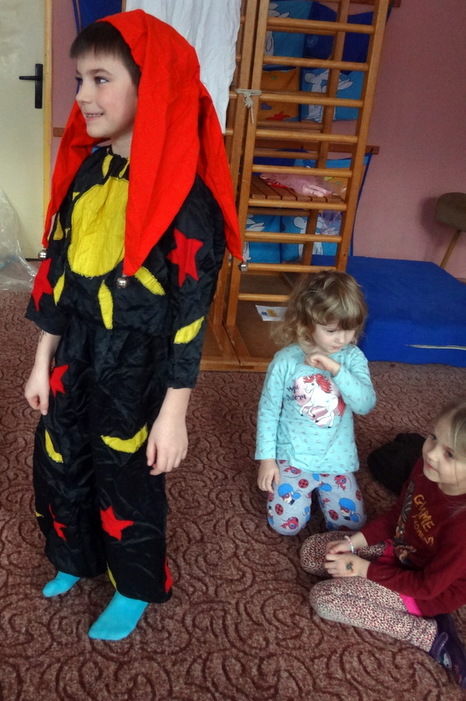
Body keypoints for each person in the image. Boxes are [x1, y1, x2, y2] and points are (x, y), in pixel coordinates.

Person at [24, 10, 241, 641]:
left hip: (137, 363)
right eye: (79, 80)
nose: (82, 96)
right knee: (61, 453)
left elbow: (190, 317)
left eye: (101, 79)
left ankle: (135, 583)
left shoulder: (186, 199)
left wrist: (174, 412)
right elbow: (59, 275)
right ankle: (75, 554)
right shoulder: (88, 173)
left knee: (126, 476)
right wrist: (41, 360)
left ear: (152, 88)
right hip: (75, 349)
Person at [300, 398, 466, 689]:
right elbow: (397, 515)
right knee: (312, 553)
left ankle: (428, 635)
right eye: (433, 437)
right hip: (403, 549)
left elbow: (427, 586)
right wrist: (354, 543)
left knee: (325, 599)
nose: (431, 453)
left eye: (450, 454)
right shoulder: (426, 467)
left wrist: (361, 568)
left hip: (425, 589)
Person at [256, 270, 376, 535]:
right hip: (293, 457)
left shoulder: (352, 358)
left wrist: (335, 369)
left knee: (352, 524)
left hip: (337, 458)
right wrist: (267, 460)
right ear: (307, 322)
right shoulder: (286, 360)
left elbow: (365, 404)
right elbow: (268, 411)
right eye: (331, 330)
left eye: (349, 329)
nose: (342, 339)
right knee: (285, 526)